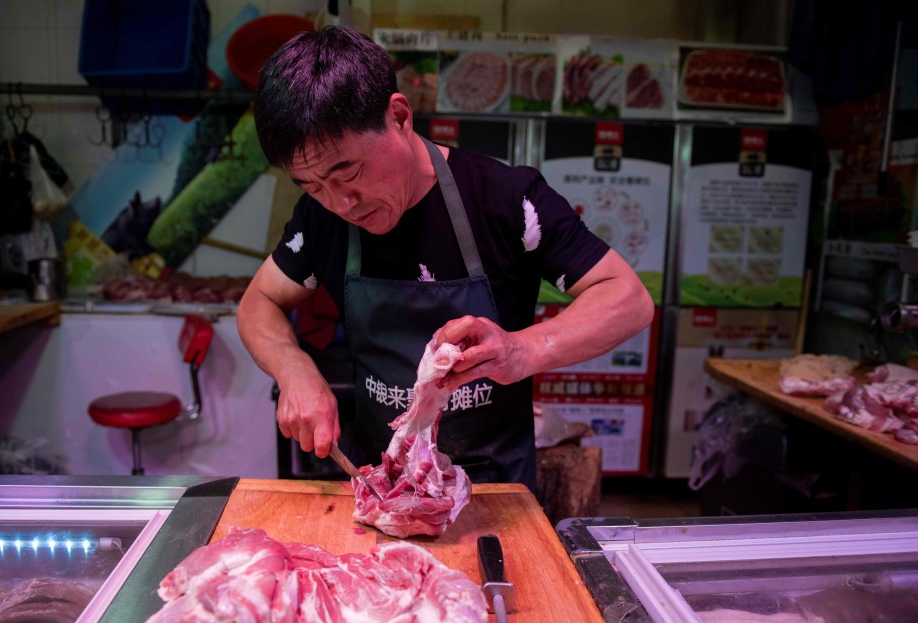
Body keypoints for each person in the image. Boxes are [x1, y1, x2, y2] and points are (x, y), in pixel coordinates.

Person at [237, 25, 654, 490]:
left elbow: (628, 297)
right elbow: (259, 303)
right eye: (312, 185)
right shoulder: (321, 217)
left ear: (398, 117)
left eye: (348, 172)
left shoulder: (506, 198)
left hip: (496, 491)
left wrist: (522, 350)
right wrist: (293, 368)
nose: (341, 203)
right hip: (385, 483)